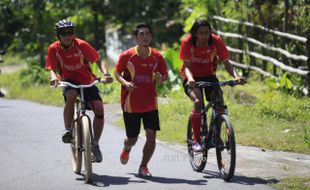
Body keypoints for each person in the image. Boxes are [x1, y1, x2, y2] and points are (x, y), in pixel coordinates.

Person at [46, 19, 113, 162]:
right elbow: (52, 68)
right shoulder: (53, 48)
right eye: (63, 33)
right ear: (58, 35)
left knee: (100, 109)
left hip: (87, 81)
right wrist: (53, 78)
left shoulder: (81, 45)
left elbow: (99, 60)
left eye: (70, 33)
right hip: (68, 81)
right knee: (71, 94)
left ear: (73, 34)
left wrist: (106, 74)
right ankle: (68, 130)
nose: (67, 36)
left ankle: (95, 145)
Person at [180, 19, 246, 152]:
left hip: (210, 76)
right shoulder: (187, 42)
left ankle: (216, 133)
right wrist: (191, 79)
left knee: (219, 101)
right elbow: (187, 67)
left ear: (210, 32)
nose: (204, 36)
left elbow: (227, 63)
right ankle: (197, 141)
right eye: (201, 33)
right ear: (194, 34)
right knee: (198, 101)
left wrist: (236, 76)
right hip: (191, 77)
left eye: (207, 33)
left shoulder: (216, 41)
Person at [114, 23, 168, 177]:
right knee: (132, 138)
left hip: (151, 103)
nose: (145, 37)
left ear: (151, 37)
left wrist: (160, 79)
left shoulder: (157, 56)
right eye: (141, 34)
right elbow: (117, 73)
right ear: (136, 38)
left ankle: (143, 166)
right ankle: (127, 147)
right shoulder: (127, 56)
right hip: (131, 104)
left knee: (152, 136)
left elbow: (164, 76)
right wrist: (125, 83)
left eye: (147, 34)